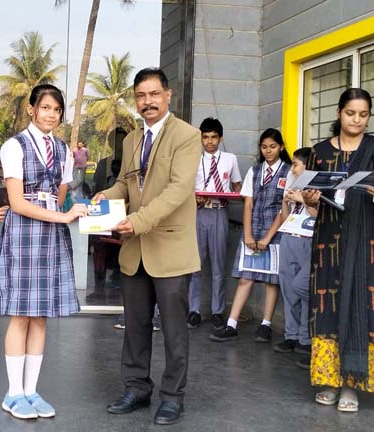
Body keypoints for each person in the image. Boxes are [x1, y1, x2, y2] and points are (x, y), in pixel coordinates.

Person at [98, 67, 202, 426]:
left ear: (168, 95)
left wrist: (138, 220)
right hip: (135, 249)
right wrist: (104, 197)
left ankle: (173, 397)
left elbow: (178, 190)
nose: (148, 101)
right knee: (135, 327)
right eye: (141, 96)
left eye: (154, 94)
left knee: (174, 331)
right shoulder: (131, 140)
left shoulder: (187, 136)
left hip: (170, 248)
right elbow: (125, 185)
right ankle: (137, 388)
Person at [0, 84, 87, 420]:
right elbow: (17, 202)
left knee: (40, 315)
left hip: (49, 233)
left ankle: (31, 390)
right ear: (32, 109)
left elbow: (58, 197)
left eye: (57, 110)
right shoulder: (14, 146)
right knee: (20, 314)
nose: (51, 115)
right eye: (45, 108)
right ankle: (13, 393)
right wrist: (62, 216)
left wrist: (67, 212)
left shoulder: (63, 150)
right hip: (23, 234)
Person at [302, 88, 374, 412]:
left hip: (369, 244)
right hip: (329, 243)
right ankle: (330, 380)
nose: (357, 120)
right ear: (338, 112)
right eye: (350, 113)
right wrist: (309, 198)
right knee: (328, 308)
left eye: (363, 115)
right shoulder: (319, 153)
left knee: (366, 306)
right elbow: (313, 206)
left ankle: (352, 385)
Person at [210, 128, 291, 343]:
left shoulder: (289, 172)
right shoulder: (255, 171)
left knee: (271, 281)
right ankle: (231, 324)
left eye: (272, 147)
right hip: (253, 230)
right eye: (264, 147)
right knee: (246, 277)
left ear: (281, 147)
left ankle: (266, 325)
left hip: (276, 233)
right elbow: (248, 203)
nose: (268, 151)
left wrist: (267, 238)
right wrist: (247, 234)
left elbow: (284, 209)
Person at [187, 117, 242, 330]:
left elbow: (236, 186)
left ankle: (217, 311)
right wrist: (195, 199)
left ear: (221, 138)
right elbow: (185, 189)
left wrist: (237, 197)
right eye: (205, 137)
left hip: (220, 212)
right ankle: (194, 310)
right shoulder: (193, 159)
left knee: (219, 264)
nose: (209, 141)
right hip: (199, 213)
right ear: (201, 138)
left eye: (213, 137)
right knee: (196, 264)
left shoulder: (230, 159)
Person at [273, 147, 315, 355]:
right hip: (289, 236)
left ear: (307, 166)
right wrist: (285, 201)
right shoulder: (292, 182)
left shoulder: (318, 187)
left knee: (303, 289)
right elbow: (285, 216)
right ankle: (291, 335)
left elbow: (319, 214)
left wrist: (303, 200)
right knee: (288, 288)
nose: (293, 169)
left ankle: (305, 338)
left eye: (296, 164)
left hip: (308, 239)